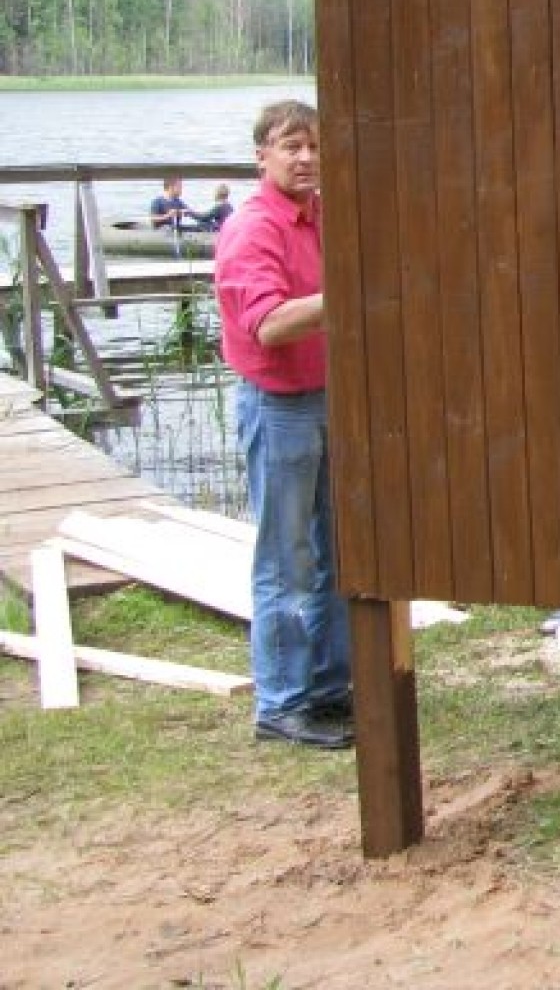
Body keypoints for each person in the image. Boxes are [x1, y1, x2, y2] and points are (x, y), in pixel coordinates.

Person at [213, 100, 353, 749]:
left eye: (315, 147)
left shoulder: (323, 217)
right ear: (261, 155)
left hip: (330, 398)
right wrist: (351, 293)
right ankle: (281, 703)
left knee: (337, 552)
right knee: (286, 559)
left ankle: (328, 687)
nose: (305, 158)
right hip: (280, 408)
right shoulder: (253, 229)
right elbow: (268, 324)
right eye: (291, 146)